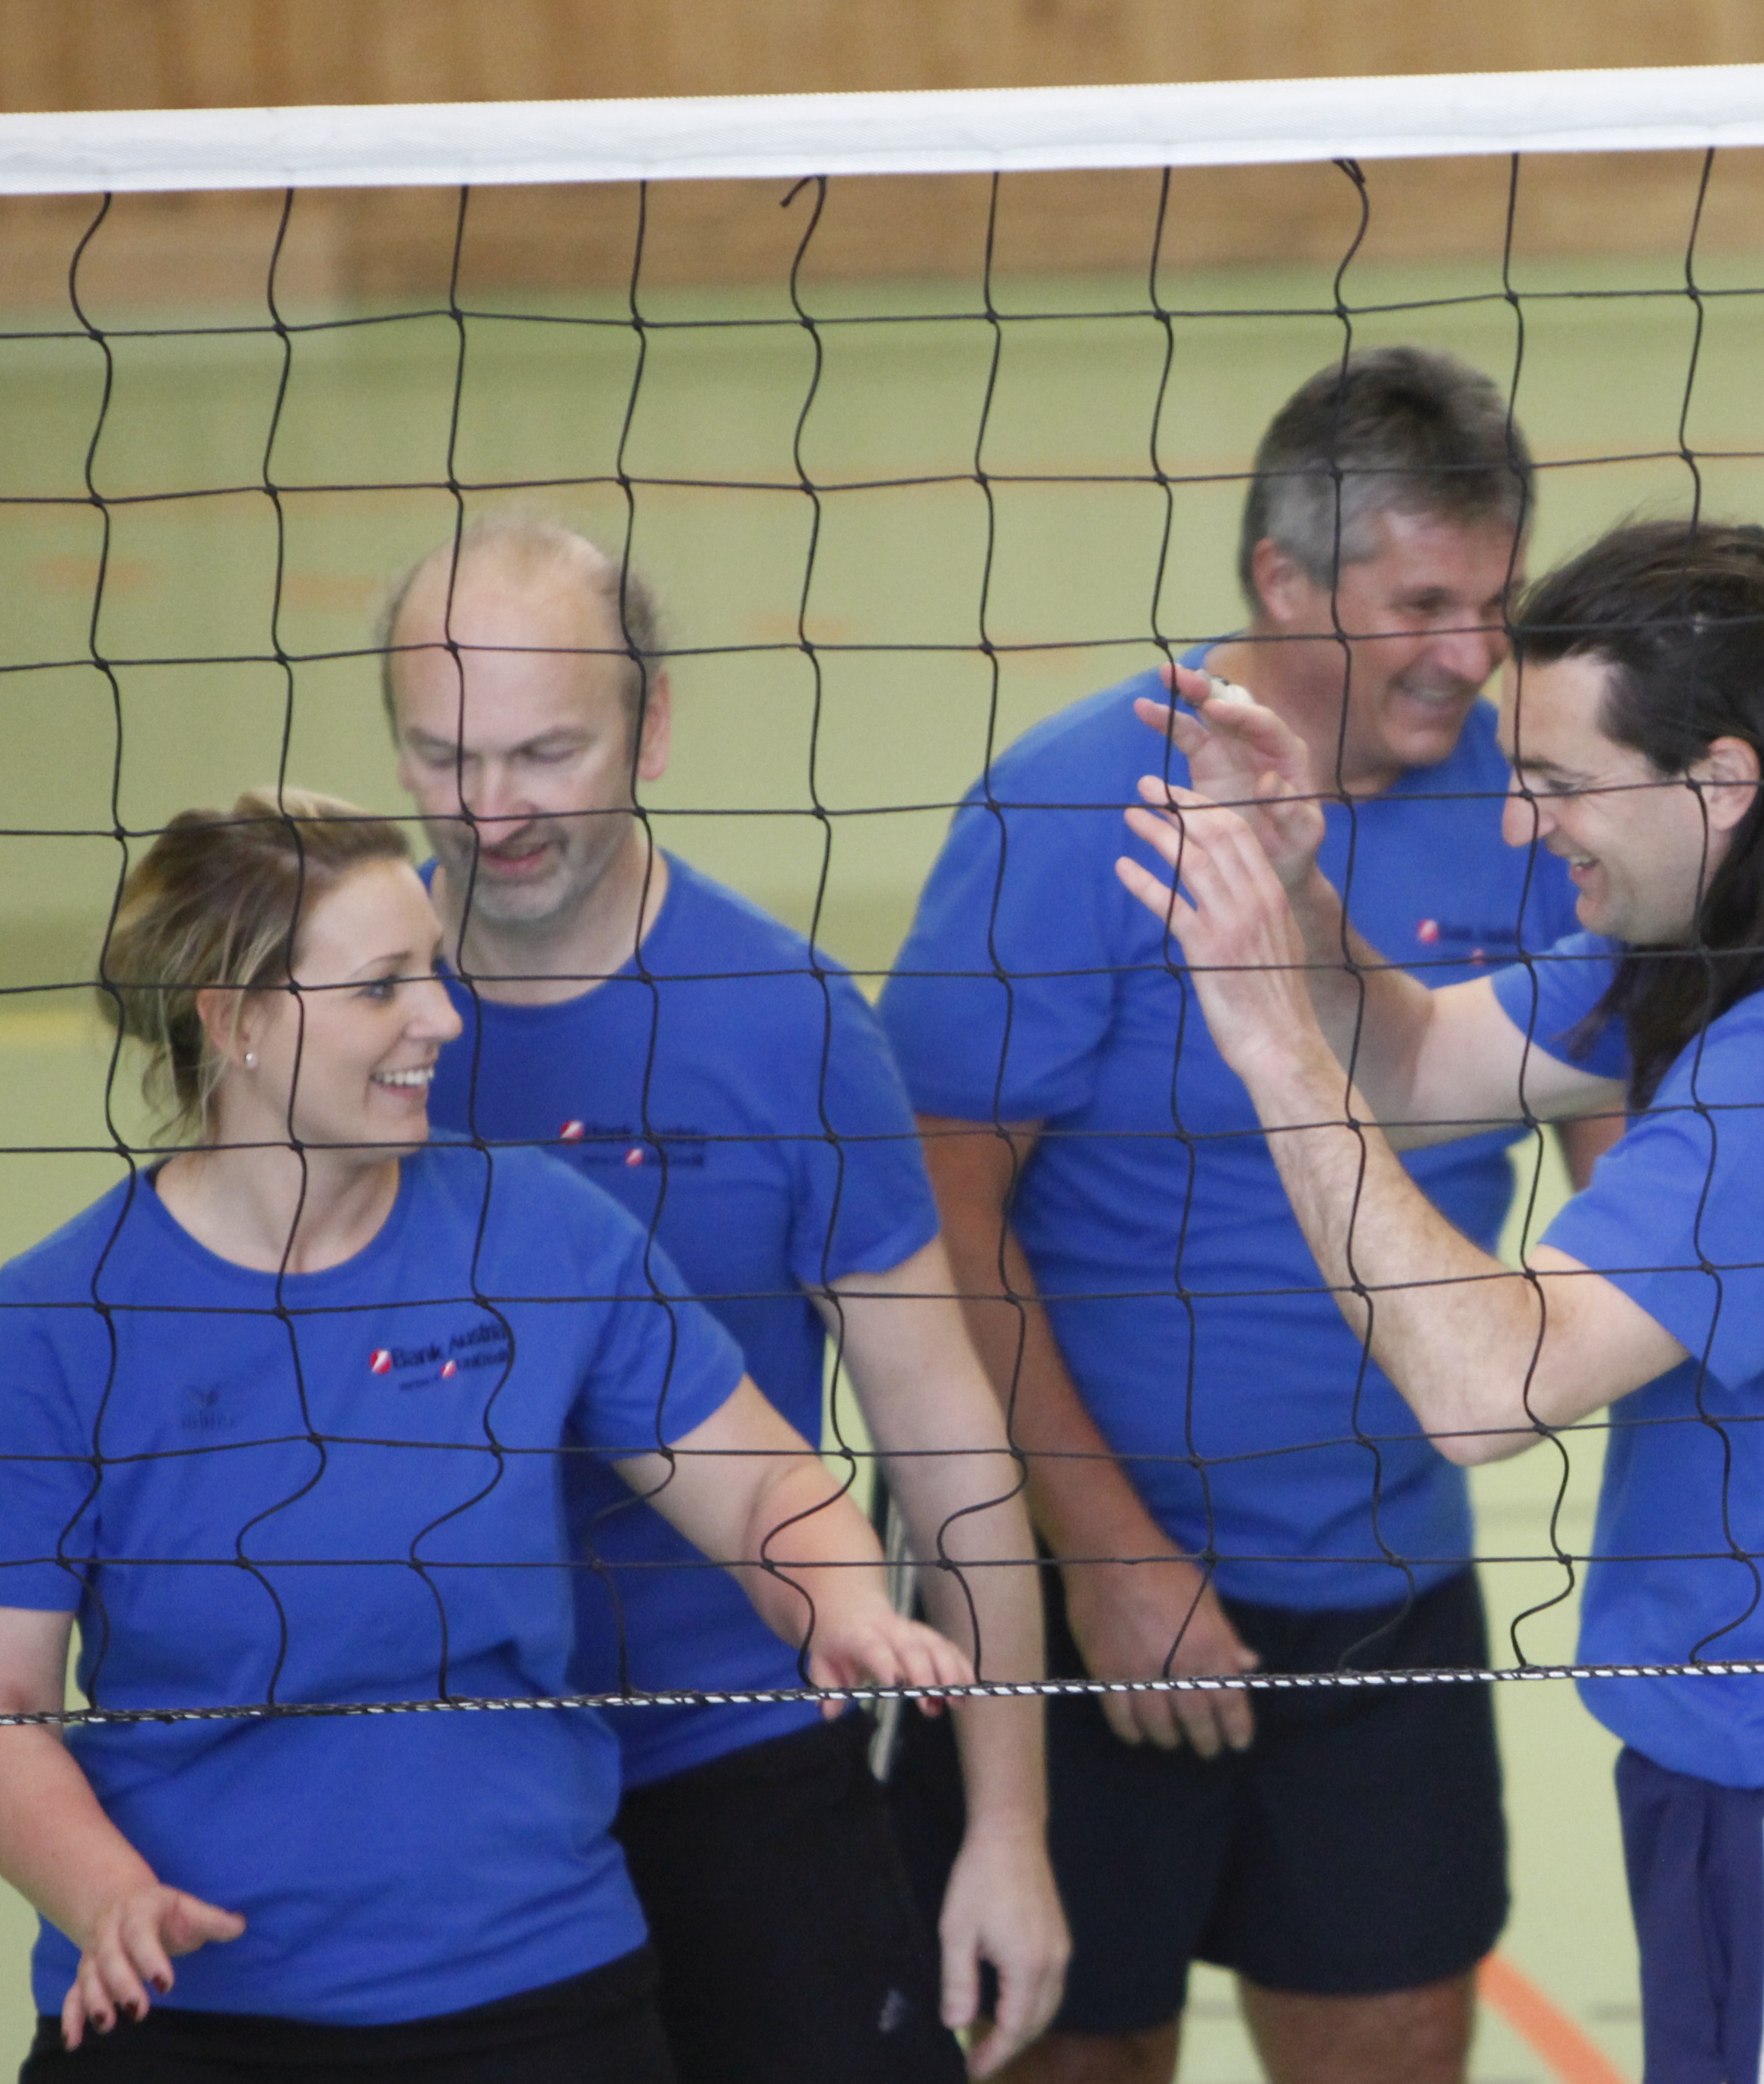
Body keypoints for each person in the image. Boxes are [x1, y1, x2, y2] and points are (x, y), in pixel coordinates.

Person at [1116, 518, 1764, 2084]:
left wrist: (1266, 1045)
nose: (1519, 822)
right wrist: (1300, 892)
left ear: (1722, 781)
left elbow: (1480, 1387)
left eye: (1560, 781)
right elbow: (1419, 1064)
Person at [0, 789, 967, 2084]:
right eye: (381, 987)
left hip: (537, 1989)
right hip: (187, 2004)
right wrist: (106, 1896)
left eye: (433, 969)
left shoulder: (539, 1230)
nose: (443, 1019)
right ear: (236, 1023)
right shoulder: (56, 1324)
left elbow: (761, 1490)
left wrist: (842, 1601)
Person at [875, 346, 1593, 2084]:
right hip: (1076, 1591)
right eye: (1420, 605)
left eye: (1493, 605)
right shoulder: (1076, 807)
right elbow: (936, 1217)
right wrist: (1108, 1556)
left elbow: (1627, 1162)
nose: (1469, 654)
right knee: (1072, 2052)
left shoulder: (1532, 805)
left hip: (1386, 1587)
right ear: (1281, 579)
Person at [377, 518, 1067, 2082]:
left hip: (742, 1741)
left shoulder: (787, 1022)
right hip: (448, 1777)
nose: (491, 811)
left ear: (653, 726)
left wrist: (1008, 1828)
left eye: (546, 752)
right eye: (442, 756)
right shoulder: (347, 1022)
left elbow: (945, 1435)